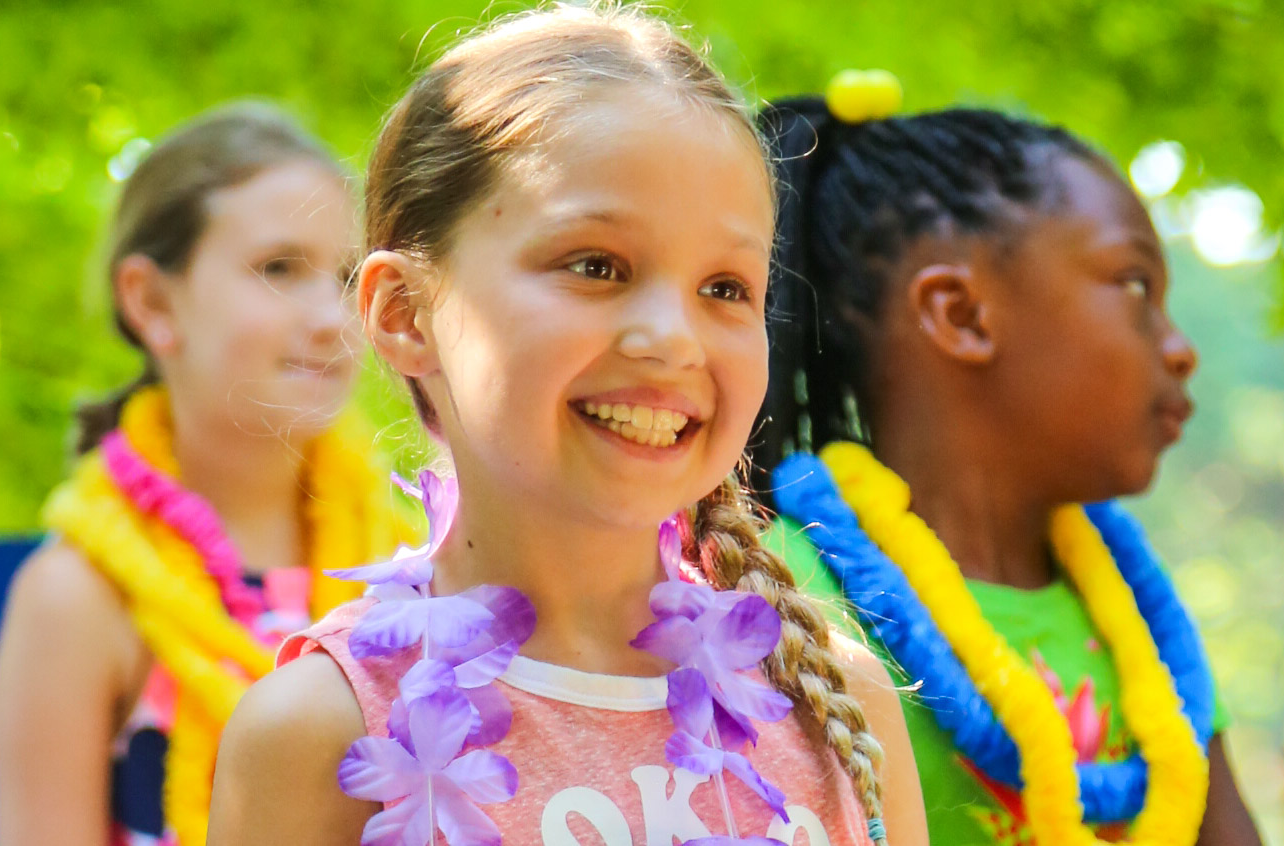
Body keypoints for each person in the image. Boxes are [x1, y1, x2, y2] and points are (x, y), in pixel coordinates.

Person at [210, 6, 929, 845]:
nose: (671, 337)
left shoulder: (833, 702)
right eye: (596, 266)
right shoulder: (319, 729)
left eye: (727, 288)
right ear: (406, 312)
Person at [752, 77, 1262, 846]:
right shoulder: (779, 602)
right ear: (960, 315)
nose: (1180, 347)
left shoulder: (1141, 615)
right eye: (1134, 286)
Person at [0, 103, 409, 846]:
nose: (330, 318)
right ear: (151, 301)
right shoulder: (81, 597)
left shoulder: (410, 566)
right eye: (280, 268)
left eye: (346, 277)